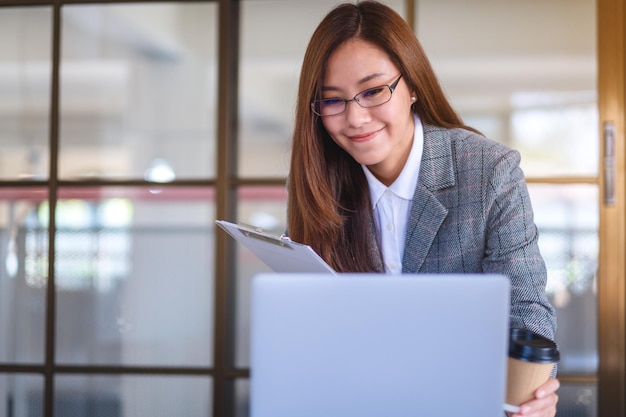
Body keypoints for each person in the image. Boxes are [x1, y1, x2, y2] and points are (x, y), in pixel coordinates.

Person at [286, 1, 559, 416]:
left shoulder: (488, 171)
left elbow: (526, 312)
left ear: (412, 85)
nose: (356, 118)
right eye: (332, 101)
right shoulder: (319, 182)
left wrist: (529, 394)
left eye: (374, 91)